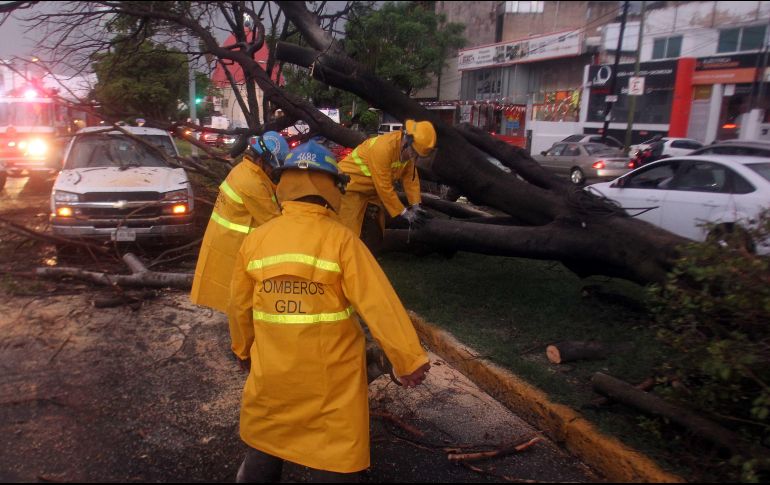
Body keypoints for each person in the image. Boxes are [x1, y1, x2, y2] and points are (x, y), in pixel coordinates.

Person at [228, 140, 430, 482]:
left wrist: (243, 349)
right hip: (330, 386)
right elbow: (379, 304)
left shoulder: (257, 240)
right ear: (333, 188)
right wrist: (408, 360)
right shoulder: (343, 242)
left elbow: (238, 307)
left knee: (266, 442)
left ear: (283, 184)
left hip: (273, 378)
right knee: (332, 457)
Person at [190, 131, 289, 313]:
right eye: (272, 166)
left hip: (224, 240)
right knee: (238, 299)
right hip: (234, 244)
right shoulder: (253, 184)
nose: (273, 171)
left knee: (233, 297)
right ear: (261, 161)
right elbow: (274, 222)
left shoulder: (242, 171)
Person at [337, 119, 437, 236]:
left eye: (418, 156)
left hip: (370, 191)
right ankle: (343, 253)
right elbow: (384, 186)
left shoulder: (407, 154)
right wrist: (405, 213)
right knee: (349, 230)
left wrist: (416, 206)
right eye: (414, 153)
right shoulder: (383, 149)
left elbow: (410, 179)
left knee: (375, 226)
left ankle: (366, 252)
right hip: (349, 187)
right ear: (407, 142)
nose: (414, 158)